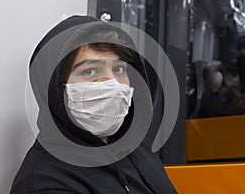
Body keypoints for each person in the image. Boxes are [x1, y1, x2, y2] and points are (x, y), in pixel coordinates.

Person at [11, 15, 177, 194]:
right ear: (55, 89)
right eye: (90, 71)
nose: (112, 84)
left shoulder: (136, 151)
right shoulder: (46, 183)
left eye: (119, 69)